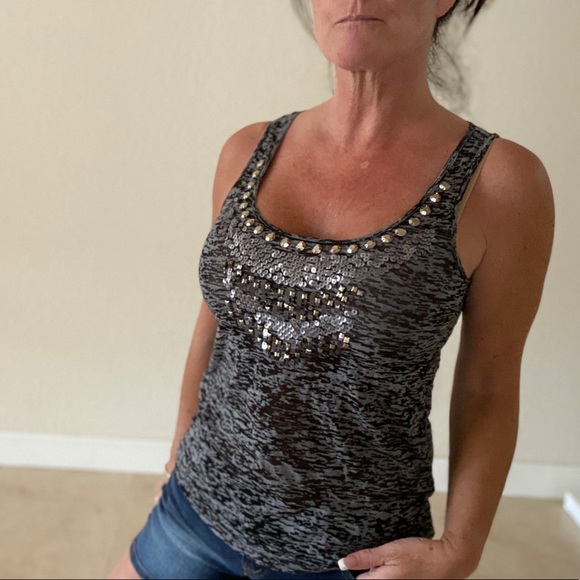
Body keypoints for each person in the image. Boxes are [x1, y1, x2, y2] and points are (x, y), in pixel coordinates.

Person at [107, 1, 554, 578]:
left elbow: (489, 385)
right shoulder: (246, 150)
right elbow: (214, 321)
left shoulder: (499, 184)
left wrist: (459, 549)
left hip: (351, 556)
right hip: (193, 516)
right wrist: (179, 446)